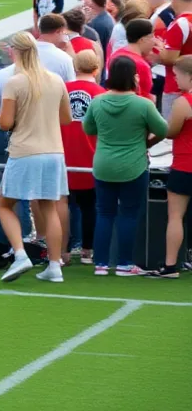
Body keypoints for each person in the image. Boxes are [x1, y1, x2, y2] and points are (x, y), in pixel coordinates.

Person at [0, 33, 73, 284]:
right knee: (48, 207)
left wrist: (19, 118)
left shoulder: (15, 82)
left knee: (4, 204)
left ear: (14, 52)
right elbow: (66, 118)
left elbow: (5, 123)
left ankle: (20, 254)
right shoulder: (55, 79)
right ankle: (54, 264)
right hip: (53, 151)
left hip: (25, 150)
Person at [82, 55, 167, 277]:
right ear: (134, 78)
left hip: (103, 164)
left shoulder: (98, 101)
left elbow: (88, 129)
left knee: (104, 213)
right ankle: (124, 263)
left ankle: (100, 263)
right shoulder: (143, 104)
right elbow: (163, 130)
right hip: (134, 165)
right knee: (128, 214)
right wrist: (146, 142)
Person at [63, 50, 104, 266]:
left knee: (63, 206)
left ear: (75, 67)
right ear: (96, 69)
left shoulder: (63, 89)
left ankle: (64, 251)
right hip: (90, 155)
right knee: (90, 206)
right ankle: (88, 250)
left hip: (65, 155)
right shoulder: (101, 93)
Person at [156, 55, 192, 278]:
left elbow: (171, 131)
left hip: (185, 165)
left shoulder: (184, 102)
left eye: (177, 75)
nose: (175, 80)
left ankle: (170, 266)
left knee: (176, 216)